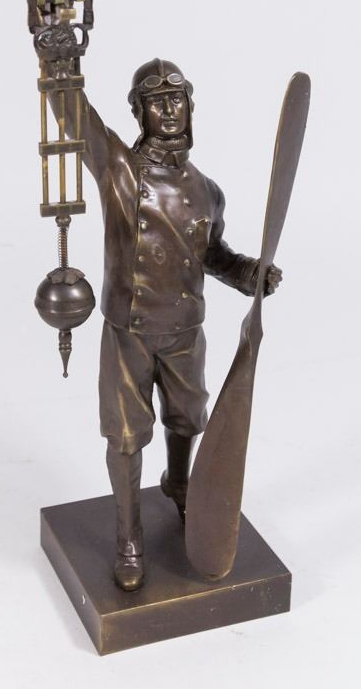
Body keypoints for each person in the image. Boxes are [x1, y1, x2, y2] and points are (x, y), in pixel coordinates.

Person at [42, 55, 281, 591]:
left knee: (188, 418)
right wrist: (56, 61)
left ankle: (179, 482)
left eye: (177, 99)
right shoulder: (120, 171)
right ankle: (129, 536)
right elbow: (76, 116)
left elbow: (212, 255)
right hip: (129, 330)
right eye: (156, 102)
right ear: (139, 112)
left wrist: (249, 273)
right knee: (125, 436)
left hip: (185, 329)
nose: (169, 110)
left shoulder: (208, 189)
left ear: (191, 107)